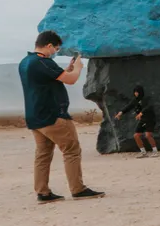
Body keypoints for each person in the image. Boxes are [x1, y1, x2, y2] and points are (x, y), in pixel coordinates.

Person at [19, 31, 104, 203]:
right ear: (49, 45)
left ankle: (43, 192)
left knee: (43, 154)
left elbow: (52, 79)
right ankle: (78, 189)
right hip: (53, 116)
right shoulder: (43, 62)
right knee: (72, 150)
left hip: (35, 117)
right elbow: (71, 80)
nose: (56, 52)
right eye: (56, 49)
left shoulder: (25, 62)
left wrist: (68, 70)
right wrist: (78, 68)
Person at [114, 84, 158, 157]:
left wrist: (141, 113)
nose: (136, 93)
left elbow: (150, 106)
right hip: (143, 120)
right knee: (136, 136)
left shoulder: (147, 98)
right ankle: (143, 152)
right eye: (135, 92)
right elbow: (128, 107)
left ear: (140, 92)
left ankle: (155, 151)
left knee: (148, 135)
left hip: (150, 119)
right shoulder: (135, 100)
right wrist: (120, 113)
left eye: (137, 92)